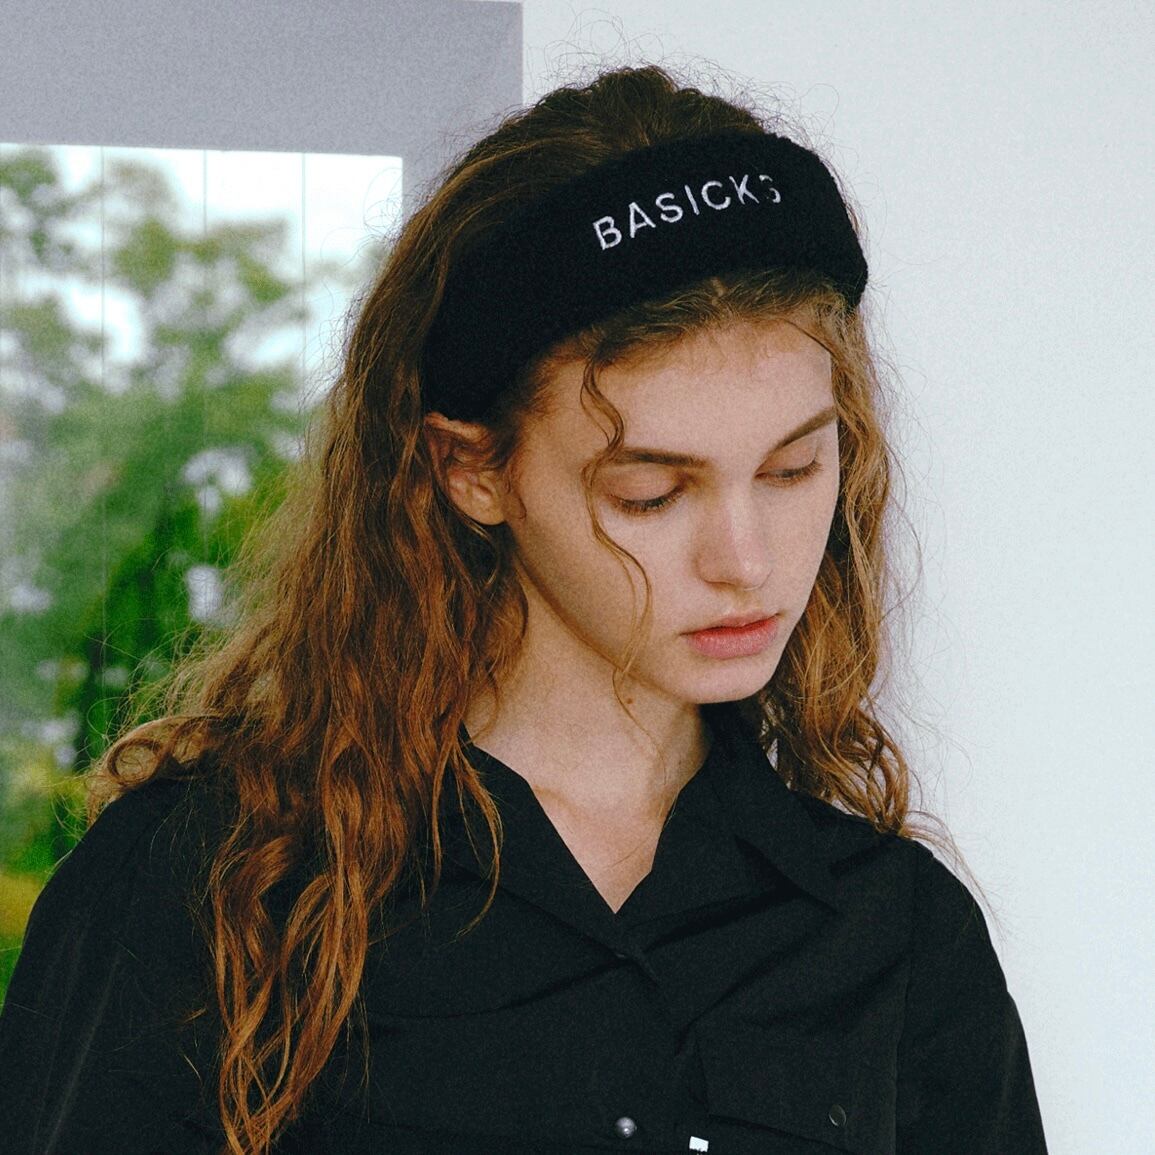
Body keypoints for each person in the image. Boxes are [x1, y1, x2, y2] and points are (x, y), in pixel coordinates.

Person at [0, 64, 1048, 1154]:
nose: (747, 561)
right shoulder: (206, 885)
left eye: (792, 471)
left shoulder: (900, 935)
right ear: (472, 471)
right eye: (650, 493)